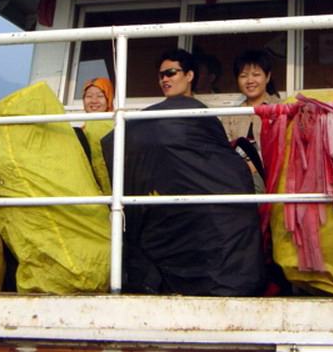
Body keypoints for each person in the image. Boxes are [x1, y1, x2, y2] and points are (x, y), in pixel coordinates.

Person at [107, 48, 265, 295]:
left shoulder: (206, 115)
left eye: (171, 73)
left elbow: (216, 158)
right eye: (161, 75)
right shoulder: (150, 119)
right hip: (167, 201)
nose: (165, 79)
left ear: (190, 75)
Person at [221, 50, 281, 193]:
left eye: (256, 74)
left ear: (267, 77)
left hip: (274, 178)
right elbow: (225, 149)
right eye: (243, 76)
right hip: (238, 178)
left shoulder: (280, 109)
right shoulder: (230, 115)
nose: (250, 81)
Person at [78, 77, 113, 195]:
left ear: (109, 99)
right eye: (88, 96)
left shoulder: (118, 125)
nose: (94, 101)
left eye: (100, 96)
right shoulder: (80, 131)